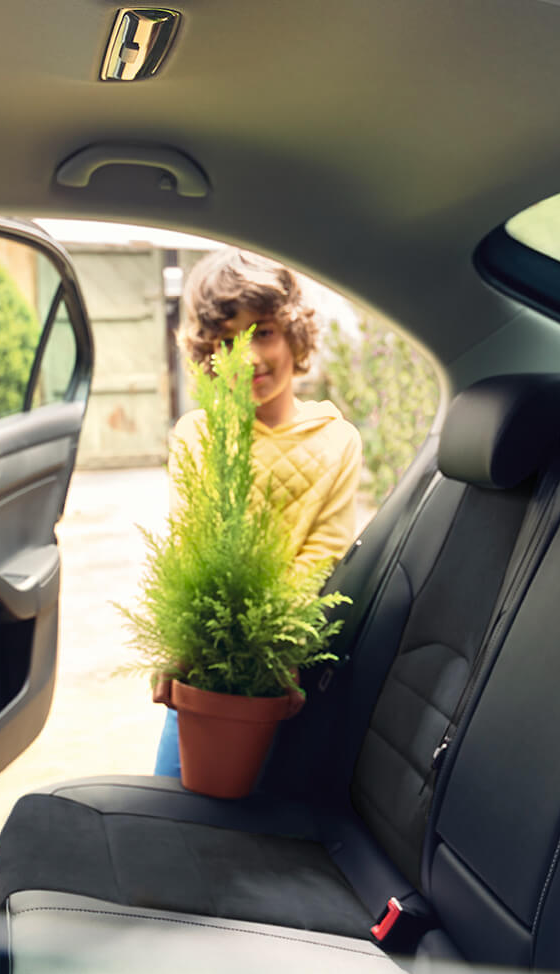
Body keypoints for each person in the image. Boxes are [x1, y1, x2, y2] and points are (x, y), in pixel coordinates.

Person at [153, 248, 362, 778]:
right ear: (207, 355)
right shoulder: (196, 436)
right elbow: (187, 551)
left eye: (263, 332)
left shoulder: (336, 442)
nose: (248, 358)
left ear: (294, 334)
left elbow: (322, 557)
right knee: (175, 808)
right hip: (204, 669)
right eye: (227, 342)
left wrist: (268, 652)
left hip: (280, 668)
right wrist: (176, 647)